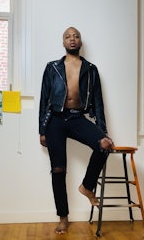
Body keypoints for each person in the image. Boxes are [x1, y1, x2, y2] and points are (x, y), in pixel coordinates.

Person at [39, 27, 113, 234]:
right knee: (58, 169)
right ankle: (63, 217)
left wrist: (103, 132)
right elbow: (44, 99)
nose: (72, 39)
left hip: (77, 117)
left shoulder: (91, 69)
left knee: (105, 145)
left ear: (80, 42)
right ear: (63, 42)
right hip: (55, 120)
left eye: (76, 36)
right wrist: (42, 129)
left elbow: (98, 102)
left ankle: (87, 187)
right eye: (67, 37)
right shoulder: (52, 67)